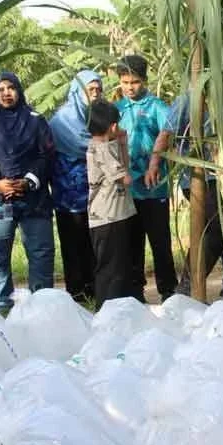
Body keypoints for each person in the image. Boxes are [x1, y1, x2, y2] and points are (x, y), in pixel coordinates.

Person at [0, 72, 55, 312]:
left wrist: (28, 181)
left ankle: (42, 309)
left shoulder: (36, 121)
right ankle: (1, 309)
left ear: (19, 90)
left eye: (11, 88)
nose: (6, 93)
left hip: (34, 199)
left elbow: (47, 155)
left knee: (41, 254)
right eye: (1, 89)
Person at [158, 90, 223, 298]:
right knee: (217, 229)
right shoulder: (190, 97)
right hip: (201, 178)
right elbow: (166, 133)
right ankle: (189, 285)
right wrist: (153, 164)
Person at [117, 55, 179, 301]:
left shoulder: (157, 106)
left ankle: (168, 290)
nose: (130, 88)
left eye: (135, 82)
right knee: (132, 243)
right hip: (128, 188)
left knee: (160, 241)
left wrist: (154, 163)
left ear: (144, 80)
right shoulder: (118, 109)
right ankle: (135, 292)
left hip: (154, 188)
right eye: (125, 82)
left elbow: (167, 132)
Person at [49, 70, 104, 303]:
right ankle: (77, 293)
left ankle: (95, 290)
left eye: (98, 89)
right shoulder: (61, 121)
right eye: (90, 89)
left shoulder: (99, 117)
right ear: (76, 91)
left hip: (97, 195)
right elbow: (93, 145)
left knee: (94, 245)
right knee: (73, 245)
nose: (95, 94)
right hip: (67, 196)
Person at [87, 99, 140, 304]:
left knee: (121, 267)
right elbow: (125, 177)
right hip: (108, 218)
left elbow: (123, 168)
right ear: (113, 125)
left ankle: (120, 308)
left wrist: (122, 143)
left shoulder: (106, 145)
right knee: (111, 269)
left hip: (118, 214)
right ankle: (107, 309)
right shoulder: (102, 149)